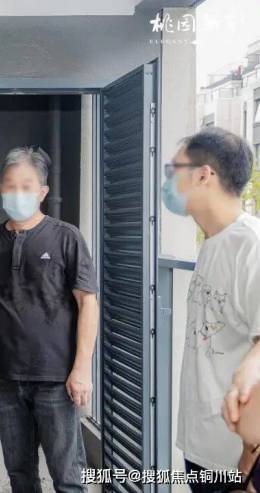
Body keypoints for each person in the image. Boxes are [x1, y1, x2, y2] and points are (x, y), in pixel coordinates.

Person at [0, 146, 98, 493]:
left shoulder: (66, 237)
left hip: (56, 377)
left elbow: (88, 303)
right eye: (9, 185)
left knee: (68, 476)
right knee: (20, 473)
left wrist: (81, 369)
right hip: (5, 376)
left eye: (26, 186)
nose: (16, 193)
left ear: (42, 192)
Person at [162, 127, 260, 492]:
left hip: (238, 460)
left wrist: (249, 461)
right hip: (202, 447)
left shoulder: (251, 245)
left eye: (174, 170)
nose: (168, 182)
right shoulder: (213, 242)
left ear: (204, 174)